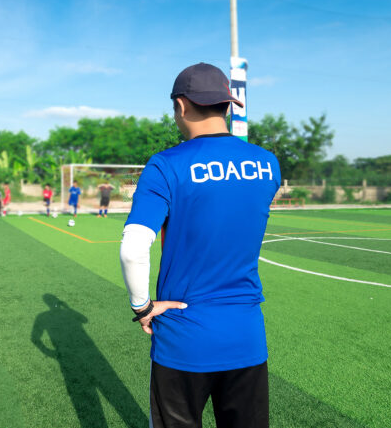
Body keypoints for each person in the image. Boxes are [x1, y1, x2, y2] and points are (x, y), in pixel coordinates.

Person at [119, 63, 280, 428]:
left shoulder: (165, 166)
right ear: (227, 106)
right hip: (246, 334)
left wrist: (141, 306)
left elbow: (132, 247)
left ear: (180, 105)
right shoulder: (267, 164)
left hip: (183, 338)